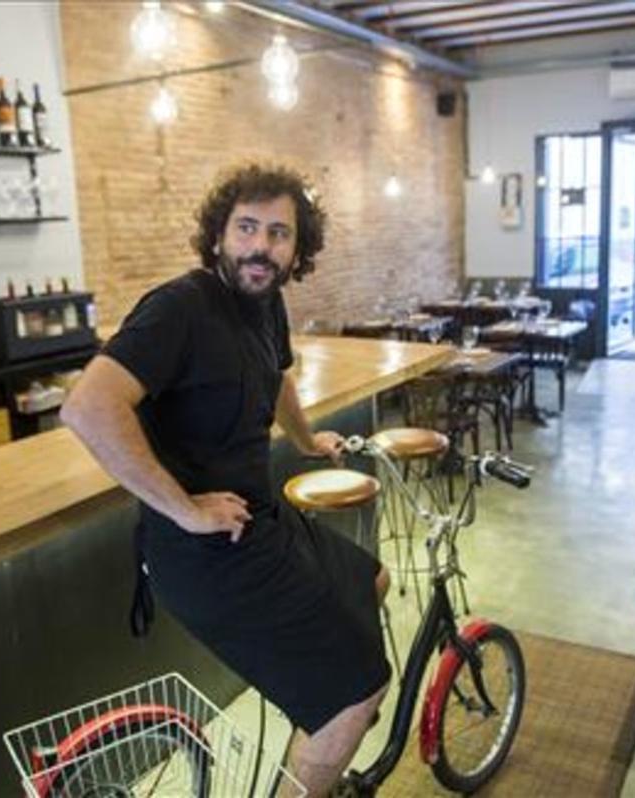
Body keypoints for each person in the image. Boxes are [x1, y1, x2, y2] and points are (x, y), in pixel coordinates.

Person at [61, 163, 391, 797]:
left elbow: (279, 375)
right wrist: (184, 507)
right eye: (246, 228)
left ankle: (315, 721)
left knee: (371, 579)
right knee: (358, 692)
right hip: (206, 553)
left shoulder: (265, 305)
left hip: (258, 521)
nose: (261, 247)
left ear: (298, 250)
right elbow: (88, 406)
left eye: (278, 233)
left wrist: (304, 439)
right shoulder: (180, 307)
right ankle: (331, 724)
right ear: (218, 236)